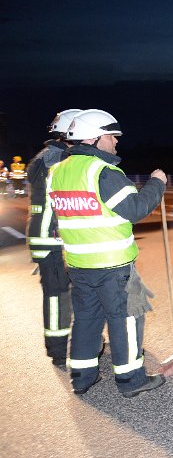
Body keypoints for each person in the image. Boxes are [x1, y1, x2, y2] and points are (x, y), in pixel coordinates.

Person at [47, 109, 167, 397]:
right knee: (127, 317)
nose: (116, 142)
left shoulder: (58, 171)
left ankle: (82, 376)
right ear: (94, 138)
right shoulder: (102, 172)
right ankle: (131, 380)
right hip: (113, 264)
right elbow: (136, 208)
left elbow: (60, 217)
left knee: (87, 319)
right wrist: (157, 183)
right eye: (112, 136)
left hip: (78, 263)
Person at [26, 109, 83, 366]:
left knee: (58, 293)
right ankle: (61, 348)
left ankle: (66, 342)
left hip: (45, 236)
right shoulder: (58, 158)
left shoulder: (46, 155)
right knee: (58, 295)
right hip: (53, 238)